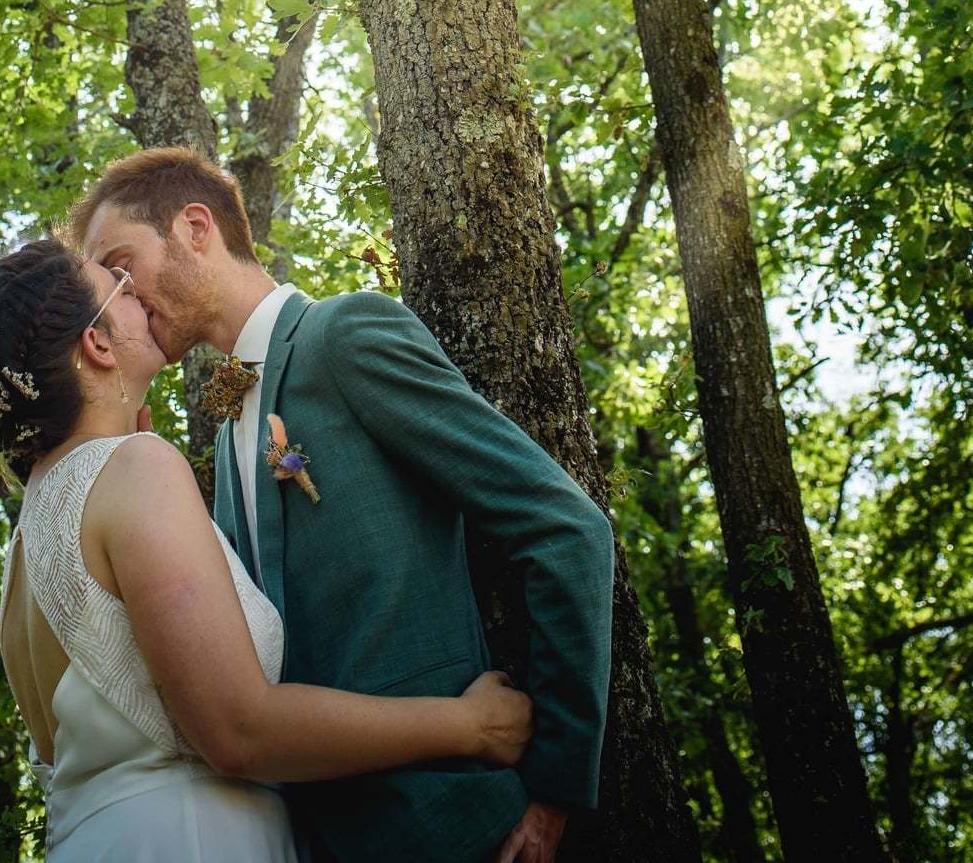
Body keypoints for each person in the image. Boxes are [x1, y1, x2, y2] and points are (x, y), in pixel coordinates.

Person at [72, 148, 615, 863]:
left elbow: (567, 529)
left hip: (462, 827)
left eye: (120, 264)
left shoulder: (345, 335)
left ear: (195, 227)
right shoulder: (226, 425)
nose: (119, 297)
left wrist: (555, 790)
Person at [0, 237, 533, 863]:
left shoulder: (26, 541)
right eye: (119, 285)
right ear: (96, 343)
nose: (140, 296)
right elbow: (239, 730)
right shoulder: (135, 469)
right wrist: (472, 727)